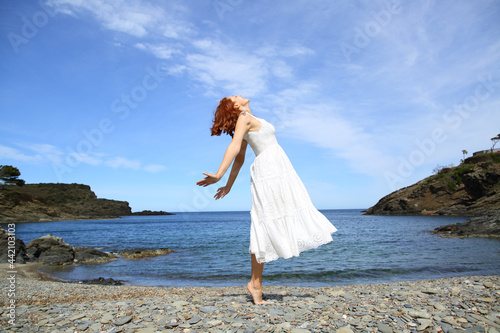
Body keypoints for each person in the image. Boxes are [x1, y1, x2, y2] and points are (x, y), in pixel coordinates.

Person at [197, 95, 337, 304]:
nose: (238, 94)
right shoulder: (243, 118)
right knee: (264, 222)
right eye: (234, 96)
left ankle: (255, 282)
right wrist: (219, 175)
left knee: (278, 216)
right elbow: (235, 149)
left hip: (279, 168)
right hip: (268, 171)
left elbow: (241, 158)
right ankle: (255, 283)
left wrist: (229, 185)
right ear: (236, 106)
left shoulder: (249, 118)